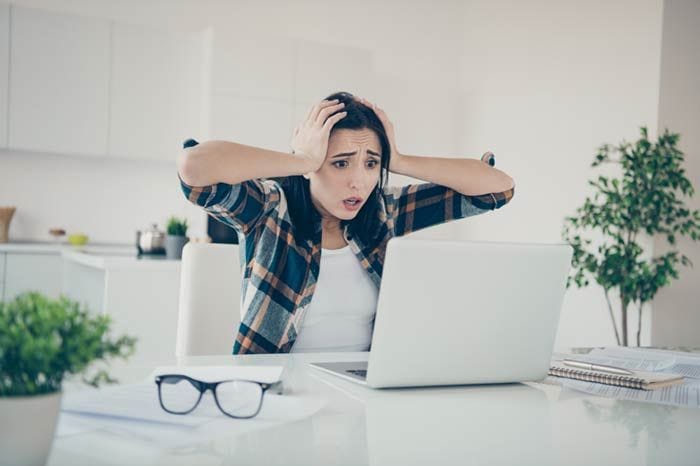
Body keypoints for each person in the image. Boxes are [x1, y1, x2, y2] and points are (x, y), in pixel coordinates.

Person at [177, 91, 515, 354]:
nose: (360, 182)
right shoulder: (270, 210)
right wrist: (302, 159)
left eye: (371, 164)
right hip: (274, 393)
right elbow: (194, 169)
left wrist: (398, 159)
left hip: (365, 393)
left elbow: (496, 190)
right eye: (340, 164)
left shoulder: (384, 211)